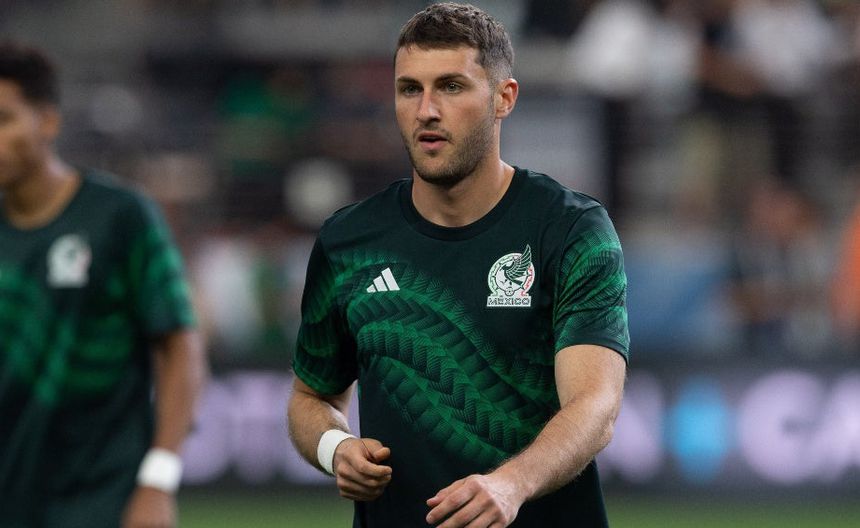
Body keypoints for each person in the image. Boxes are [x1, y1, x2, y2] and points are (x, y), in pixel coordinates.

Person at [287, 3, 629, 527]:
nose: (426, 110)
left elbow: (595, 405)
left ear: (503, 98)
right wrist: (336, 447)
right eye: (409, 89)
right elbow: (310, 397)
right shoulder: (348, 241)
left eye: (450, 86)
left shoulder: (569, 230)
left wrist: (511, 484)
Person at [0, 41, 206, 528]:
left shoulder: (119, 216)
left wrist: (158, 481)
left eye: (3, 119)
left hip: (102, 498)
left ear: (48, 122)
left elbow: (180, 347)